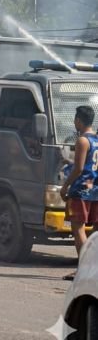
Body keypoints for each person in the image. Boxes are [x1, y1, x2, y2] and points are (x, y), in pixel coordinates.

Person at [60, 105, 98, 280]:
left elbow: (79, 169)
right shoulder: (96, 139)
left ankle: (83, 270)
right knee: (94, 232)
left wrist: (65, 186)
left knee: (78, 229)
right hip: (95, 188)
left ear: (78, 121)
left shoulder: (82, 140)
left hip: (81, 189)